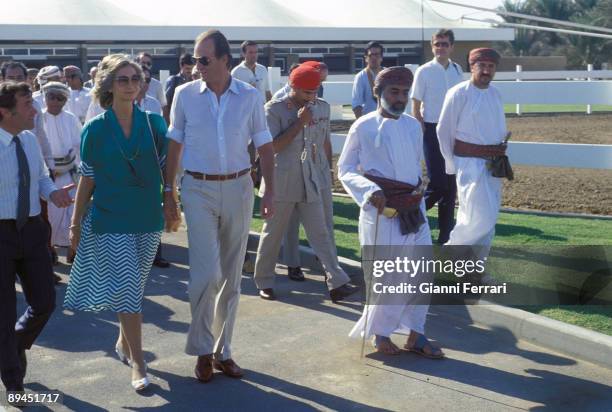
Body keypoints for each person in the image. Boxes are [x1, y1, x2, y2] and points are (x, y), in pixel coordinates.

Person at [164, 29, 275, 383]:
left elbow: (264, 144)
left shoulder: (250, 96)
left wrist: (269, 189)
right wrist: (168, 191)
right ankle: (201, 349)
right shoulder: (184, 95)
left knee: (231, 277)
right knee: (205, 275)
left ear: (225, 61)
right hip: (197, 189)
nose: (197, 66)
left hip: (240, 187)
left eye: (204, 59)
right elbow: (174, 144)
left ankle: (222, 351)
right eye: (195, 58)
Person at [63, 55, 168, 391]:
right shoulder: (94, 129)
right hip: (109, 218)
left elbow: (170, 171)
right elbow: (87, 179)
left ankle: (124, 343)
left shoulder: (155, 124)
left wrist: (172, 202)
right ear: (107, 84)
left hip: (147, 216)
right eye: (122, 79)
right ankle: (138, 363)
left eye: (135, 78)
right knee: (126, 289)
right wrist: (75, 224)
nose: (130, 85)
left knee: (133, 290)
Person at [338, 67, 444, 358]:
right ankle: (380, 334)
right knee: (387, 274)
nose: (399, 98)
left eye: (403, 93)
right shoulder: (362, 126)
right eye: (393, 92)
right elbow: (345, 169)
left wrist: (419, 188)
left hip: (413, 208)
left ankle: (416, 334)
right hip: (381, 210)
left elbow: (413, 166)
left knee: (421, 272)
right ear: (378, 93)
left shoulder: (413, 125)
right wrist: (369, 190)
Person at [253, 64, 358, 301]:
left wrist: (328, 170)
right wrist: (299, 123)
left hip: (310, 178)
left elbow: (323, 141)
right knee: (272, 234)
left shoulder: (321, 108)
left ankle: (337, 281)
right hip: (282, 181)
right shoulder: (274, 110)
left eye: (315, 91)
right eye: (307, 92)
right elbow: (271, 149)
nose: (312, 96)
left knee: (320, 232)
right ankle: (264, 280)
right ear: (293, 87)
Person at [0, 80, 73, 394]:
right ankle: (13, 380)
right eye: (28, 104)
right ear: (5, 112)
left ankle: (13, 344)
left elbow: (42, 177)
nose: (36, 109)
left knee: (44, 302)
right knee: (2, 313)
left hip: (31, 230)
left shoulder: (29, 139)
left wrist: (53, 194)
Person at [437, 48, 511, 282]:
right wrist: (452, 164)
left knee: (488, 219)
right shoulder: (458, 93)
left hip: (493, 165)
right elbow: (443, 131)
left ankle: (475, 269)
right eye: (482, 66)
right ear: (472, 67)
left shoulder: (496, 94)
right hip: (468, 164)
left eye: (491, 67)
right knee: (478, 217)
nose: (487, 71)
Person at [276, 60, 334, 283]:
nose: (318, 87)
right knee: (292, 220)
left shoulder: (322, 103)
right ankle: (293, 263)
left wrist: (328, 168)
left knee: (325, 218)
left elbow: (325, 138)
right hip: (294, 167)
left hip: (317, 165)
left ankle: (331, 268)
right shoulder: (281, 103)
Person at [411, 29, 463, 244]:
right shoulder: (424, 71)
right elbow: (415, 104)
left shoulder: (458, 70)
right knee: (438, 183)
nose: (441, 48)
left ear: (451, 46)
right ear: (432, 47)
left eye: (445, 44)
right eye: (437, 44)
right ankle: (410, 215)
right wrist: (421, 129)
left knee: (451, 188)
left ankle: (445, 235)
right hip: (432, 130)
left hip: (454, 132)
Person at [41, 82, 81, 263]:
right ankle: (50, 250)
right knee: (50, 214)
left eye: (60, 98)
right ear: (45, 97)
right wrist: (50, 169)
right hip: (47, 177)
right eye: (51, 97)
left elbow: (78, 145)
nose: (55, 102)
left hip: (71, 173)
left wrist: (68, 165)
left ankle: (72, 248)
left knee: (73, 212)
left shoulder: (71, 118)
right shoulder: (38, 118)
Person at [352, 41, 384, 118]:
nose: (374, 58)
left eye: (376, 55)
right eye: (370, 55)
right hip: (369, 121)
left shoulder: (388, 75)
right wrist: (361, 124)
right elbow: (356, 104)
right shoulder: (360, 77)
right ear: (366, 58)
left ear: (381, 57)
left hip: (387, 120)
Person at [163, 53, 194, 123]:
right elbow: (166, 104)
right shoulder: (173, 80)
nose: (190, 71)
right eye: (187, 68)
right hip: (176, 120)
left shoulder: (195, 80)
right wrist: (167, 123)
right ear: (181, 66)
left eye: (192, 68)